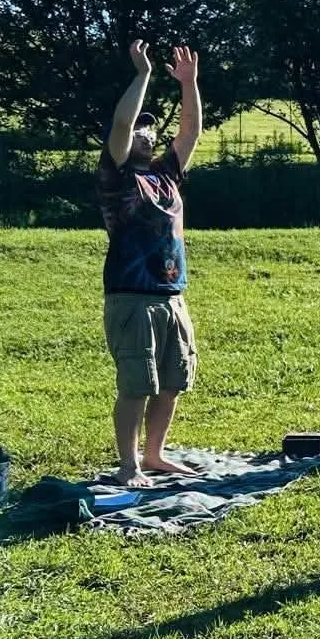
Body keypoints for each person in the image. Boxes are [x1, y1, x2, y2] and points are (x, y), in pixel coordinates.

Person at [100, 40, 204, 485]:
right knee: (136, 384)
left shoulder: (165, 174)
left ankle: (155, 454)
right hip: (132, 298)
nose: (145, 131)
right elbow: (122, 123)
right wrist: (142, 74)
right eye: (140, 128)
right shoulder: (117, 175)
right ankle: (130, 465)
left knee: (173, 381)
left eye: (150, 128)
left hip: (171, 295)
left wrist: (189, 84)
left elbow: (191, 131)